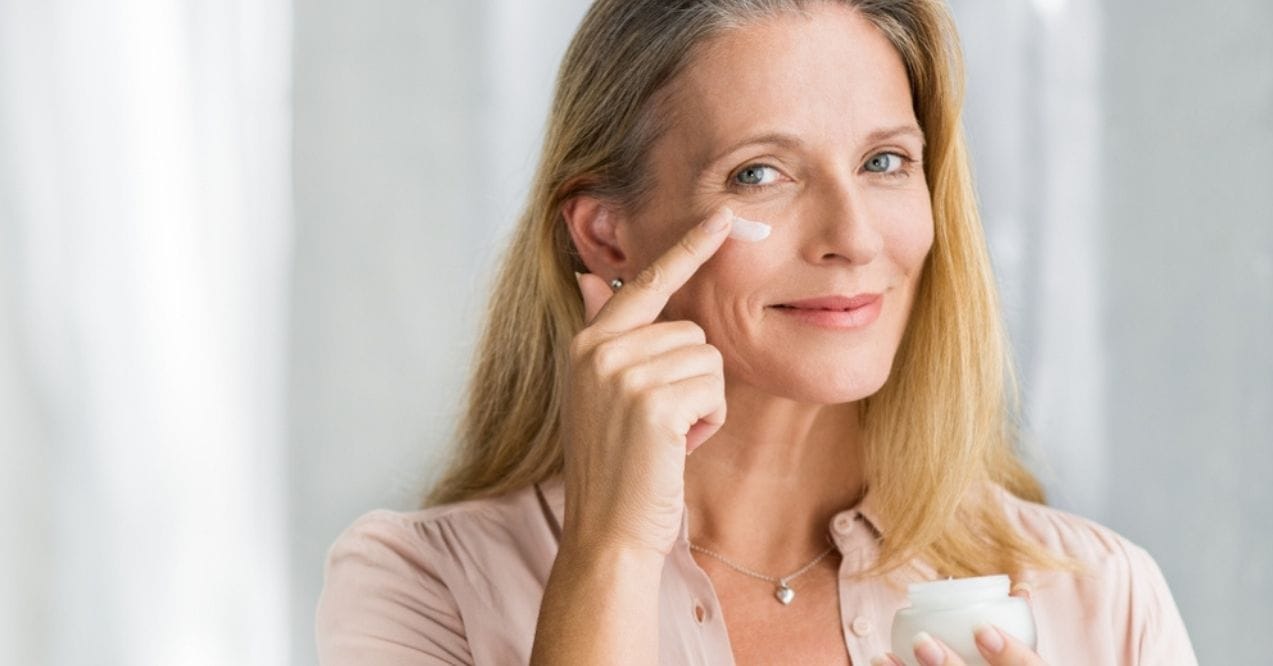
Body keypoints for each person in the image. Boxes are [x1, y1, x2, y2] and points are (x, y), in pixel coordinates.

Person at [315, 1, 1197, 664]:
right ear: (605, 233)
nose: (851, 237)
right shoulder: (424, 587)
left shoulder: (1101, 601)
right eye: (760, 174)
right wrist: (612, 554)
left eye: (884, 161)